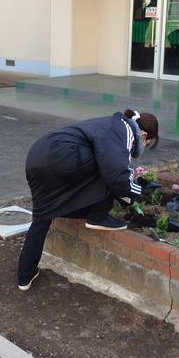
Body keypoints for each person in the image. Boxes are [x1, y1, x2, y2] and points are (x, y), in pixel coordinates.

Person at [17, 109, 160, 291]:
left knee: (42, 216)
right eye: (147, 144)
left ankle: (24, 276)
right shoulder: (124, 130)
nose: (143, 148)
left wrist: (129, 187)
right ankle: (97, 217)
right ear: (144, 135)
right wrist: (141, 190)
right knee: (109, 171)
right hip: (62, 157)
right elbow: (116, 177)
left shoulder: (111, 124)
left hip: (37, 154)